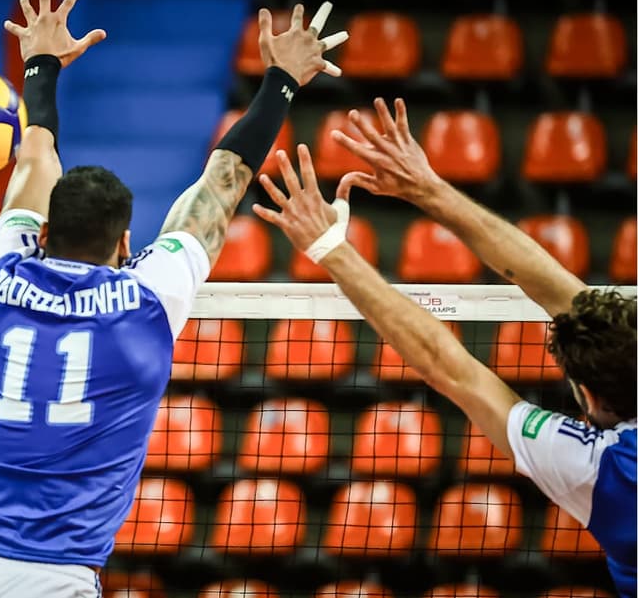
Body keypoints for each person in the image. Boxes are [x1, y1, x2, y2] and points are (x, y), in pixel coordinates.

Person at [0, 0, 348, 598]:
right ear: (126, 247)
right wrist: (281, 81)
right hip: (60, 581)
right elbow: (223, 183)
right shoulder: (145, 303)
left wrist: (39, 63)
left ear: (40, 233)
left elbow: (35, 157)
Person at [252, 97, 636, 597]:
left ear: (586, 394)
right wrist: (428, 189)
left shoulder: (599, 469)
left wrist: (331, 248)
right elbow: (567, 297)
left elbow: (449, 366)